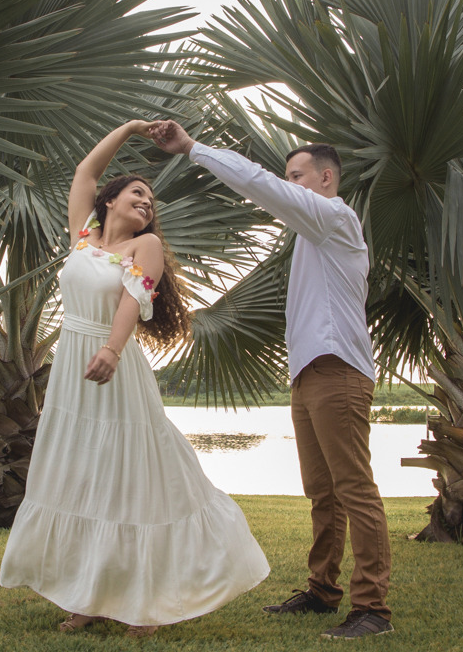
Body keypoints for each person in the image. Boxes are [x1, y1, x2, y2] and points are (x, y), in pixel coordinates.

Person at [0, 119, 269, 638]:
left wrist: (111, 349)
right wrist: (129, 128)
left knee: (129, 479)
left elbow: (132, 300)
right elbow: (85, 170)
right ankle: (85, 598)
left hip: (113, 366)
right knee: (81, 474)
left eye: (151, 200)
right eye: (137, 193)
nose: (147, 203)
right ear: (109, 202)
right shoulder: (84, 237)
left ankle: (142, 602)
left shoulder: (144, 248)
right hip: (72, 373)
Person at [152, 120, 393, 640]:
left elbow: (262, 185)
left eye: (297, 176)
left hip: (338, 371)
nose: (289, 185)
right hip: (308, 373)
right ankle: (322, 590)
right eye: (288, 177)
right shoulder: (313, 236)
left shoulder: (335, 218)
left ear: (327, 178)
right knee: (322, 492)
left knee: (354, 489)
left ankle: (372, 608)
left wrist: (193, 148)